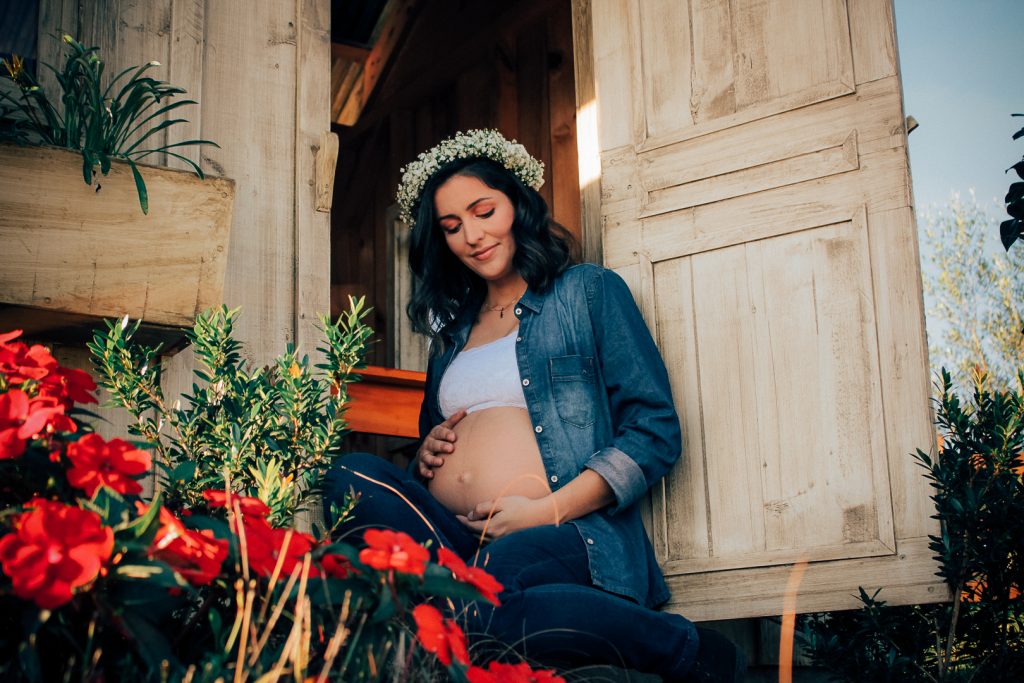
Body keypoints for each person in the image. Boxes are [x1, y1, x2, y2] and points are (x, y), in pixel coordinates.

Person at [324, 129, 743, 682]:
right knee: (348, 474)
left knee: (478, 599)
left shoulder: (587, 293)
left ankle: (689, 651)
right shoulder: (450, 337)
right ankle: (461, 604)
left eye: (483, 211)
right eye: (452, 227)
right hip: (457, 537)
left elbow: (654, 430)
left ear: (517, 204)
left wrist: (543, 511)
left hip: (571, 531)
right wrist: (425, 455)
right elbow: (439, 445)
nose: (471, 236)